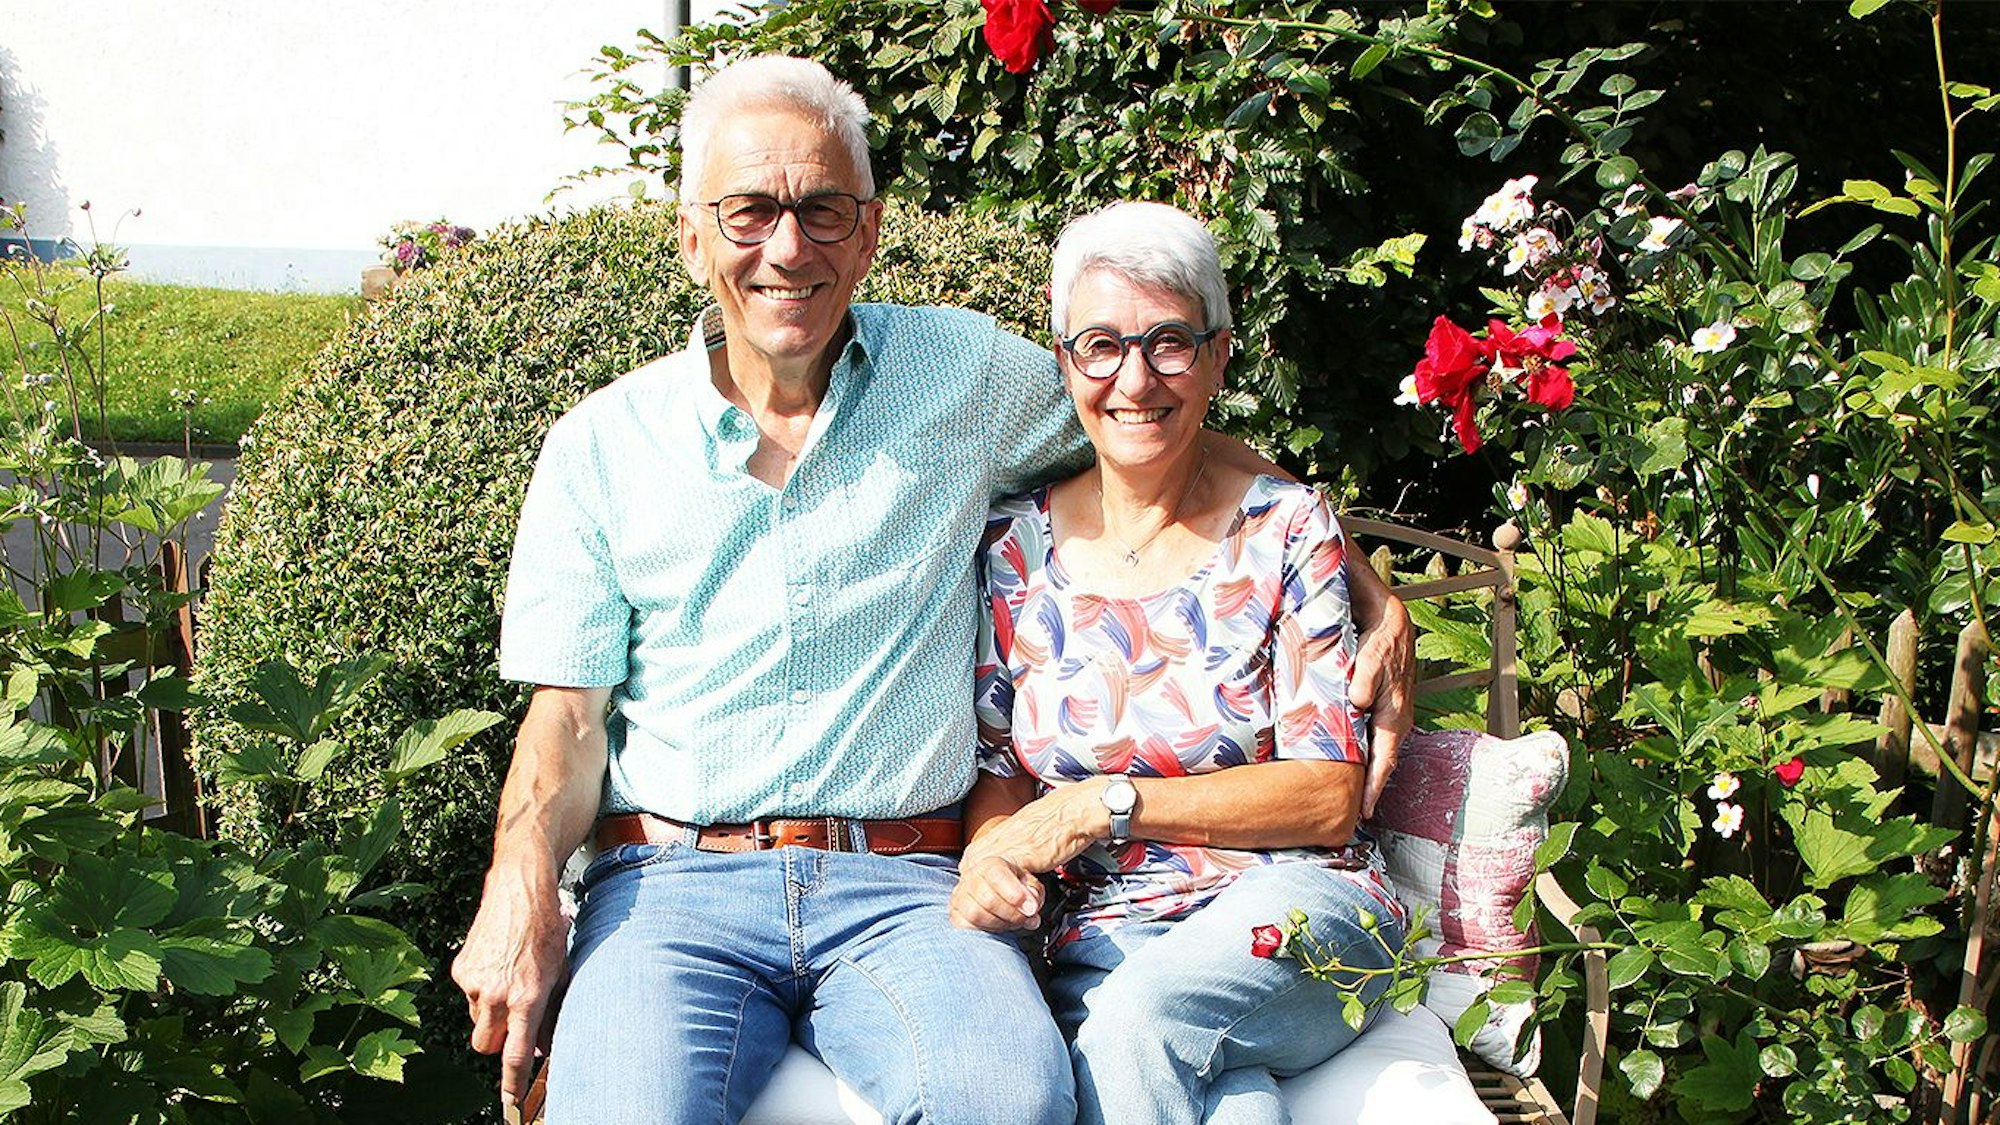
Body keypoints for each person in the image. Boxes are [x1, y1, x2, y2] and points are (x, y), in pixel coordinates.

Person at [450, 56, 1414, 1123]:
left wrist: (1360, 581)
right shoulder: (600, 446)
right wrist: (519, 880)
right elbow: (568, 723)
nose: (787, 247)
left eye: (822, 210)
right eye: (749, 211)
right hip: (673, 889)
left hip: (903, 886)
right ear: (690, 238)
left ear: (866, 233)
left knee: (1007, 1102)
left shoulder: (961, 374)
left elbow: (1143, 409)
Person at [950, 201, 1408, 1125]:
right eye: (1101, 345)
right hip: (1105, 935)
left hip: (1302, 908)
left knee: (1137, 1026)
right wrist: (983, 862)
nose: (1135, 377)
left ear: (1218, 355)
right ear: (1064, 359)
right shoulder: (1014, 548)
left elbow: (1326, 797)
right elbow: (1000, 766)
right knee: (1230, 1107)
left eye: (1169, 342)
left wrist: (1106, 802)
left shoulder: (1285, 531)